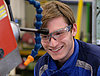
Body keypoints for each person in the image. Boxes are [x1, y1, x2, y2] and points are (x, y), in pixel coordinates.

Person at [34, 1, 100, 76]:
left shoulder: (96, 63)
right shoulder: (41, 68)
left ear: (73, 30)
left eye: (59, 33)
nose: (53, 44)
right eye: (45, 36)